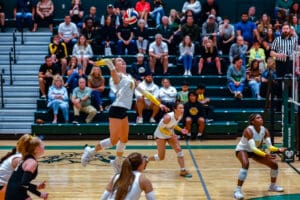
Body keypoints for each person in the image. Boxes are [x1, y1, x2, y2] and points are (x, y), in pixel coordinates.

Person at [81, 58, 168, 173]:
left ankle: (117, 162)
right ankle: (90, 152)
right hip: (116, 109)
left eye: (123, 61)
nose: (122, 62)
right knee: (113, 141)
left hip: (123, 111)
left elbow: (144, 92)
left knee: (124, 139)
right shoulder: (117, 76)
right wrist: (100, 63)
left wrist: (158, 103)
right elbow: (108, 63)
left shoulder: (130, 77)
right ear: (116, 66)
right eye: (119, 61)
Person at [233, 113, 287, 200]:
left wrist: (278, 150)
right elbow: (253, 148)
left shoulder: (264, 130)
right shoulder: (248, 130)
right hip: (243, 150)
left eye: (261, 117)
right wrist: (266, 154)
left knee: (274, 164)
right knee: (245, 164)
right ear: (252, 121)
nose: (261, 119)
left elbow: (270, 146)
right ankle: (237, 190)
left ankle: (272, 186)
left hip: (255, 150)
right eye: (258, 118)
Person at [148, 102, 192, 178]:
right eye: (180, 108)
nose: (182, 109)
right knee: (161, 157)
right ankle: (146, 159)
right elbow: (161, 129)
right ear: (175, 109)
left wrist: (181, 130)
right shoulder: (168, 117)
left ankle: (183, 171)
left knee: (179, 150)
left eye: (183, 108)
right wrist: (171, 134)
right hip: (160, 135)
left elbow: (173, 125)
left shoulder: (180, 115)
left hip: (170, 133)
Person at [5, 134, 48, 200]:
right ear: (35, 149)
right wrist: (40, 194)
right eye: (41, 145)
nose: (44, 146)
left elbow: (20, 181)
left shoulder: (26, 159)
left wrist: (36, 187)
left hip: (12, 191)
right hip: (16, 193)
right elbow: (24, 183)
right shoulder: (31, 162)